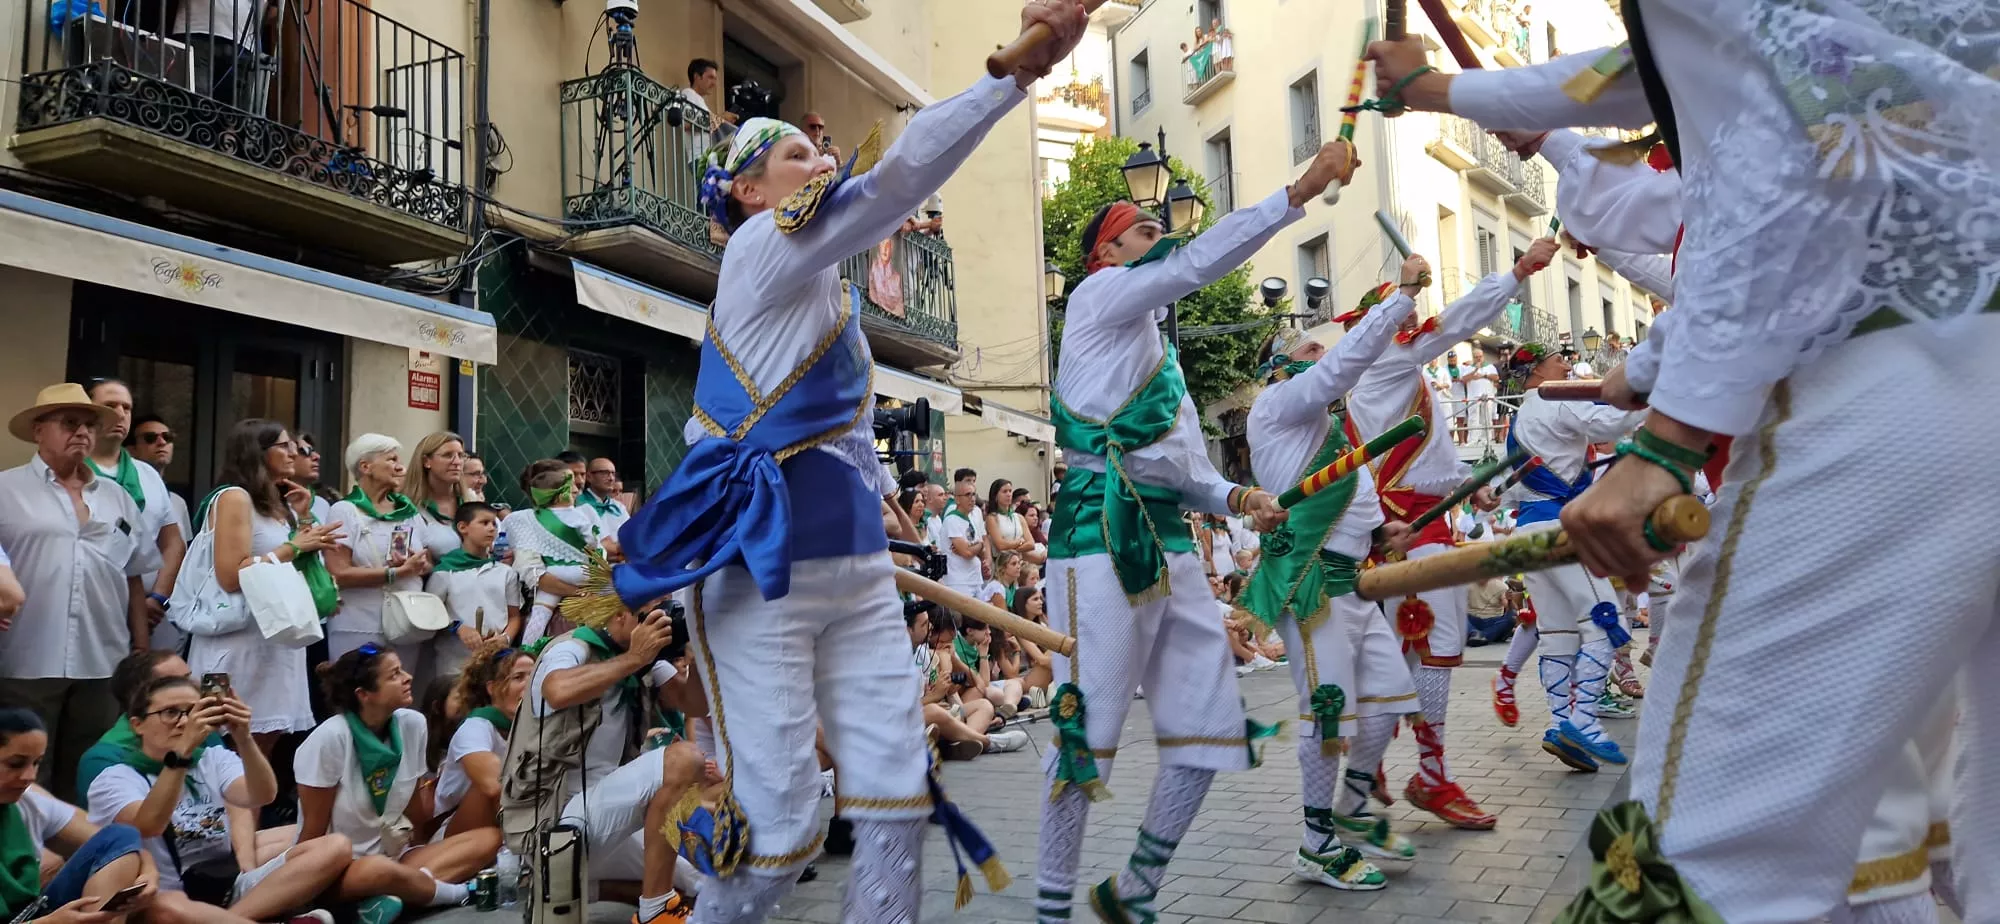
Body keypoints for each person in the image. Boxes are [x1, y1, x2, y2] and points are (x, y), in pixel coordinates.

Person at [589, 7, 1089, 918]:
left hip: (856, 571)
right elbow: (897, 178)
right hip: (759, 571)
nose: (822, 164)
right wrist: (1010, 76)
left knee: (898, 798)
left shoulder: (826, 296)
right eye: (797, 158)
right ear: (746, 192)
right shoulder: (761, 248)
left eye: (819, 157)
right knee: (777, 839)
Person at [1035, 136, 1354, 924]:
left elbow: (1184, 475)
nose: (1163, 236)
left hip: (1170, 544)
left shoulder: (1164, 362)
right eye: (1146, 229)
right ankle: (1048, 912)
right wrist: (1298, 190)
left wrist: (1240, 498)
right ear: (1110, 252)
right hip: (1096, 535)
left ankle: (1133, 892)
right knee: (1087, 738)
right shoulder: (1096, 298)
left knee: (1211, 731)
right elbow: (1193, 263)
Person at [1337, 238, 1558, 830]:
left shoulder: (1401, 369)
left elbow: (1429, 455)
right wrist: (1514, 272)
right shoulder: (1385, 361)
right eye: (1401, 312)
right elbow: (1460, 320)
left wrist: (1469, 483)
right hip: (1409, 529)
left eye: (1409, 313)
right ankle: (1425, 776)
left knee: (1414, 654)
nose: (1413, 319)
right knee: (1431, 653)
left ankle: (1380, 762)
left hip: (1422, 522)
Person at [1240, 263, 1425, 893]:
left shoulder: (1336, 432)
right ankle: (1316, 843)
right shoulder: (1276, 406)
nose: (1330, 357)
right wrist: (1401, 298)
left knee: (1392, 698)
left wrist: (1382, 535)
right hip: (1306, 581)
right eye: (1315, 348)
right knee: (1329, 708)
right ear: (1284, 365)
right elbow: (1340, 369)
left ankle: (1346, 808)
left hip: (1348, 580)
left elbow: (1363, 501)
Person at [87, 677, 350, 923]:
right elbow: (149, 825)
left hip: (224, 879)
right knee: (167, 907)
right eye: (170, 713)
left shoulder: (212, 758)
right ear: (137, 724)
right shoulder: (114, 779)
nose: (183, 722)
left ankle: (231, 918)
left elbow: (262, 794)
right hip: (166, 894)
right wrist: (181, 754)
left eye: (192, 711)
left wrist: (243, 737)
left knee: (336, 844)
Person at [496, 603, 698, 921]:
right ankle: (654, 909)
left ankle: (569, 889)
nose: (659, 624)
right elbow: (558, 690)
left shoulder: (645, 659)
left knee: (699, 885)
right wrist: (634, 659)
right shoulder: (570, 648)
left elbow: (693, 703)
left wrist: (698, 649)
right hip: (555, 822)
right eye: (649, 616)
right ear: (619, 615)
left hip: (605, 811)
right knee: (684, 759)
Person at [1496, 343, 1645, 773]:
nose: (1566, 362)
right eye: (1556, 359)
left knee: (1559, 634)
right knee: (1607, 622)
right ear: (1537, 372)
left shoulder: (1519, 418)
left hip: (1530, 530)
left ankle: (1561, 724)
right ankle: (1582, 722)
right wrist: (1661, 399)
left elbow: (1512, 487)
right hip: (1561, 529)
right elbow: (1611, 424)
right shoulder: (1554, 399)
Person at [0, 384, 149, 803]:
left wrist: (140, 647)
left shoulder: (117, 497)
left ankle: (81, 863)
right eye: (69, 422)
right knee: (24, 775)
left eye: (88, 424)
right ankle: (29, 861)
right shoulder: (6, 490)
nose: (82, 432)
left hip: (103, 657)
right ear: (38, 431)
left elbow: (134, 575)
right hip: (26, 656)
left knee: (90, 772)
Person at [295, 647, 497, 922]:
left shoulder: (412, 724)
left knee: (489, 838)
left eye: (402, 669)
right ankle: (451, 892)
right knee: (379, 871)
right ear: (364, 695)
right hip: (341, 870)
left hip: (394, 856)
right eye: (394, 675)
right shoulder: (329, 738)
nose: (408, 677)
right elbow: (313, 835)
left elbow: (414, 810)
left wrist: (426, 850)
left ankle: (397, 894)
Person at [185, 420, 341, 757]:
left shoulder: (275, 502)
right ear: (257, 452)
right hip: (235, 641)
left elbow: (288, 559)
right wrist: (295, 546)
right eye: (283, 446)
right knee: (220, 741)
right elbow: (230, 575)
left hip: (277, 637)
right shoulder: (234, 498)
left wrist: (302, 519)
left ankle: (250, 811)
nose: (295, 452)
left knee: (262, 749)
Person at [0, 708, 161, 923]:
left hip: (31, 914)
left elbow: (117, 841)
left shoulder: (27, 802)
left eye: (36, 763)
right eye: (15, 764)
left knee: (121, 835)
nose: (30, 776)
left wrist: (149, 872)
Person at [85, 381, 183, 655]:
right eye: (110, 406)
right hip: (87, 608)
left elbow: (173, 542)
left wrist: (158, 599)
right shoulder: (71, 469)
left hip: (147, 609)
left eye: (126, 407)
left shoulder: (148, 475)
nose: (120, 413)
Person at [323, 435, 434, 669]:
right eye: (391, 459)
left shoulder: (408, 510)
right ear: (366, 467)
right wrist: (395, 573)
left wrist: (418, 565)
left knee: (399, 693)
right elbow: (338, 573)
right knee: (357, 689)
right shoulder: (345, 511)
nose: (400, 467)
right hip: (358, 622)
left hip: (405, 623)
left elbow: (428, 562)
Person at [432, 640, 532, 840]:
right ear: (492, 688)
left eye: (534, 677)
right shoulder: (476, 726)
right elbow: (492, 785)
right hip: (454, 835)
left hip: (508, 827)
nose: (529, 685)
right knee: (495, 783)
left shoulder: (534, 728)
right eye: (518, 677)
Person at [502, 462, 610, 644]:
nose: (576, 490)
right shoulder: (520, 519)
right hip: (556, 604)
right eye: (571, 485)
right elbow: (533, 573)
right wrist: (581, 592)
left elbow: (600, 552)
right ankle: (529, 655)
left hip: (588, 593)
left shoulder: (585, 512)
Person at [424, 503, 522, 677]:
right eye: (484, 523)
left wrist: (504, 639)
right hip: (454, 662)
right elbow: (430, 614)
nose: (491, 529)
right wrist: (458, 628)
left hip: (495, 660)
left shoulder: (505, 572)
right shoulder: (446, 572)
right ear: (463, 527)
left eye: (494, 524)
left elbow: (514, 616)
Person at [403, 431, 468, 564]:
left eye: (461, 456)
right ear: (426, 461)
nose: (457, 462)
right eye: (447, 455)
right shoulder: (408, 508)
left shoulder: (471, 503)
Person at [940, 481, 989, 601]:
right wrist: (977, 546)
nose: (972, 499)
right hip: (959, 582)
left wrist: (978, 546)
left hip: (975, 579)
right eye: (967, 495)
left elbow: (981, 552)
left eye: (973, 495)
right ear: (957, 499)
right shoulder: (952, 519)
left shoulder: (970, 520)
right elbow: (966, 553)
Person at [579, 458, 631, 537]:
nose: (611, 478)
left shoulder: (619, 508)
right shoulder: (579, 503)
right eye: (605, 473)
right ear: (589, 477)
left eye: (613, 473)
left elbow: (630, 534)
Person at [1460, 347, 1501, 442]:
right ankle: (1473, 440)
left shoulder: (1490, 367)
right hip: (1473, 397)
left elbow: (1496, 377)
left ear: (1483, 356)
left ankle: (1486, 439)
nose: (1479, 358)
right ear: (1473, 358)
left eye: (1480, 356)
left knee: (1486, 418)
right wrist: (1475, 370)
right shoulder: (1469, 368)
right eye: (1476, 357)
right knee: (1473, 418)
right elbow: (1464, 379)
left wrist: (1483, 375)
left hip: (1487, 397)